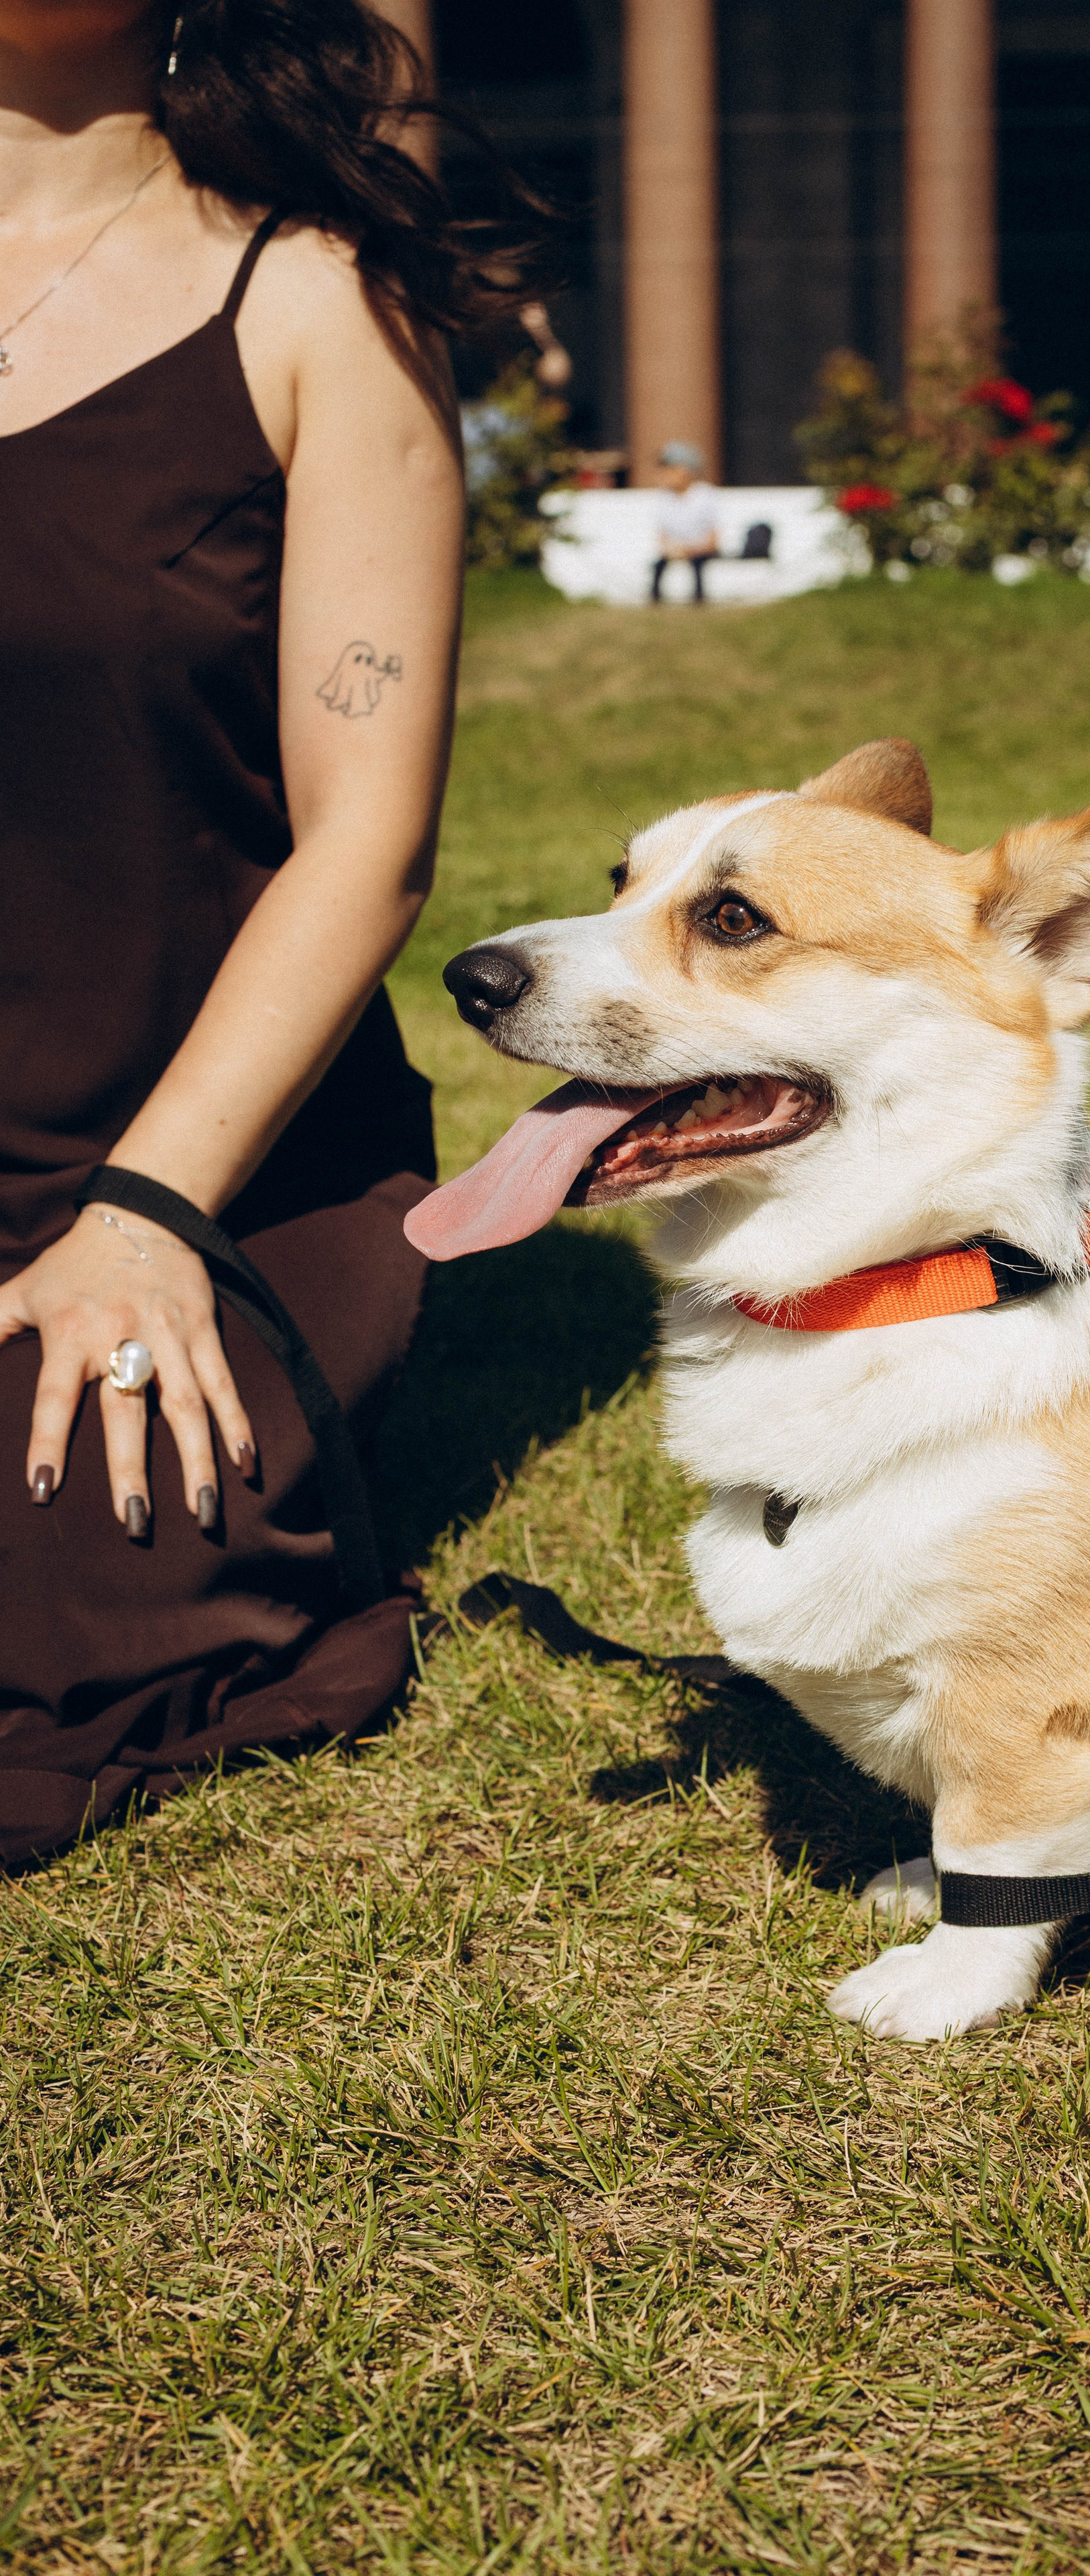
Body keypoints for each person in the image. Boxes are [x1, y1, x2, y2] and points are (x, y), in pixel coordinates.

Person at [0, 0, 538, 1866]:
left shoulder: (312, 302)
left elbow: (365, 843)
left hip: (199, 1157)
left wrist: (144, 1219)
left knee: (64, 1605)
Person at [650, 441, 721, 603]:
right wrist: (671, 550)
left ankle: (699, 600)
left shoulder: (705, 495)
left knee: (698, 564)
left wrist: (693, 550)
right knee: (659, 565)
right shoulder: (664, 498)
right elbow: (663, 534)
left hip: (700, 550)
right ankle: (656, 600)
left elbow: (714, 537)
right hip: (676, 548)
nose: (665, 475)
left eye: (670, 470)